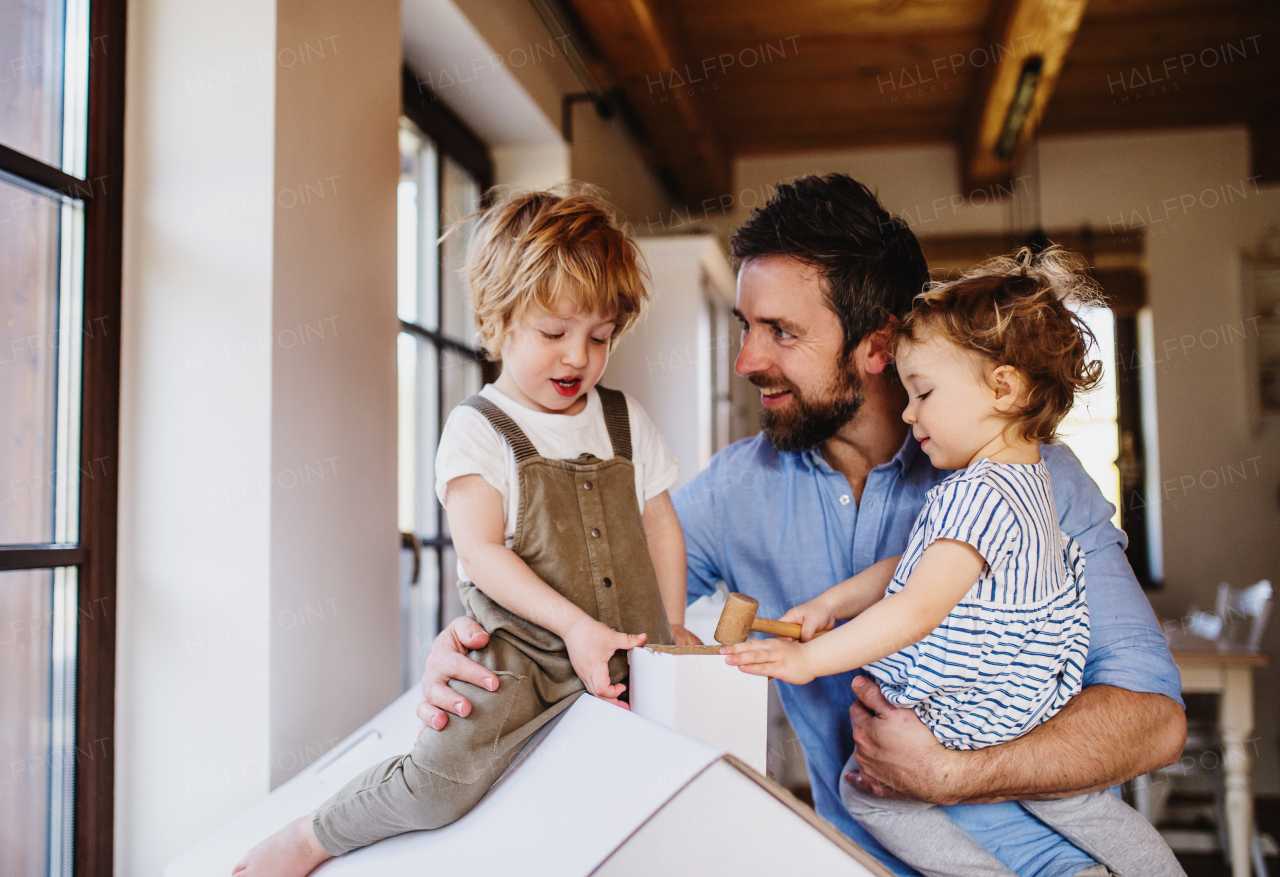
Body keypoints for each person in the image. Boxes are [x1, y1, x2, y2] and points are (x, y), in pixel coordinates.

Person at [415, 174, 1187, 877]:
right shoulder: (731, 491)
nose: (748, 359)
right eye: (747, 326)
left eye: (781, 331)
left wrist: (957, 772)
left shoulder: (1038, 482)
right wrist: (484, 647)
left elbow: (1152, 725)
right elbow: (602, 602)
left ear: (878, 345)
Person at [232, 188, 700, 875]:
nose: (578, 356)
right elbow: (480, 553)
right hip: (525, 664)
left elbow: (660, 522)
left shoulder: (624, 417)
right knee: (442, 786)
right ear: (498, 317)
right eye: (554, 333)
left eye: (599, 337)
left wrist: (673, 628)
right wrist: (574, 627)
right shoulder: (479, 429)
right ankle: (311, 836)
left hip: (625, 657)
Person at [721, 247, 1184, 877]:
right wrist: (833, 603)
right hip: (1035, 701)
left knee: (864, 793)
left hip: (979, 711)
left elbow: (916, 604)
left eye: (924, 393)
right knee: (1083, 807)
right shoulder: (1021, 482)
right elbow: (913, 565)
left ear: (1003, 387)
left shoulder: (981, 493)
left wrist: (807, 659)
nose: (910, 415)